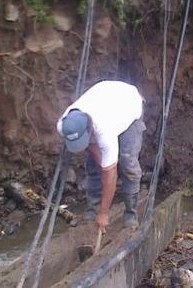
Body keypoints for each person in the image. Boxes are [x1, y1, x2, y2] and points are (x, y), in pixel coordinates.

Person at [56, 81, 146, 231]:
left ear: (90, 129)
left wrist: (104, 213)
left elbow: (110, 174)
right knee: (94, 166)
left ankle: (130, 214)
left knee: (127, 163)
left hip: (129, 106)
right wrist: (101, 161)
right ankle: (93, 211)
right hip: (103, 99)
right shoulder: (64, 125)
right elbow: (91, 146)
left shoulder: (105, 130)